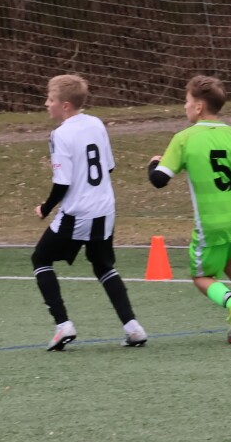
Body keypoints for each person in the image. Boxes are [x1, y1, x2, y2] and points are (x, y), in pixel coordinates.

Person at [148, 75, 231, 343]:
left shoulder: (184, 138)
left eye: (187, 101)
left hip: (210, 223)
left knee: (201, 276)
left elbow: (159, 180)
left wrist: (153, 163)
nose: (185, 106)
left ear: (198, 107)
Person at [32, 73, 147, 350]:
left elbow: (62, 183)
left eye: (50, 99)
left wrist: (45, 208)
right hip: (105, 209)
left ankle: (63, 325)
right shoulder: (96, 123)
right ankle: (133, 328)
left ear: (65, 105)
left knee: (41, 258)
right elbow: (108, 167)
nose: (46, 104)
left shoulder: (60, 134)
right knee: (103, 264)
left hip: (79, 212)